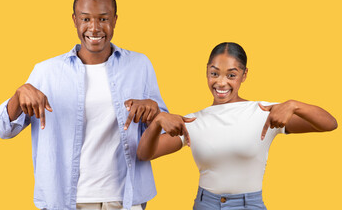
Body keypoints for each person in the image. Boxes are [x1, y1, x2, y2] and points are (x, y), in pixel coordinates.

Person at [0, 0, 167, 210]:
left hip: (126, 198)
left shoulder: (139, 65)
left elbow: (162, 128)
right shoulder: (46, 72)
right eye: (86, 19)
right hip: (66, 199)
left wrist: (153, 110)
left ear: (114, 20)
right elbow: (4, 130)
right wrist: (18, 95)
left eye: (103, 19)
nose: (94, 28)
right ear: (75, 20)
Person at [137, 42, 338, 210]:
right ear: (206, 71)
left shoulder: (264, 114)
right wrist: (157, 122)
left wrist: (294, 105)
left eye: (231, 75)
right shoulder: (193, 121)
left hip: (249, 204)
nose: (221, 83)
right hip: (206, 204)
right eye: (214, 74)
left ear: (244, 74)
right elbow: (145, 154)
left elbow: (329, 124)